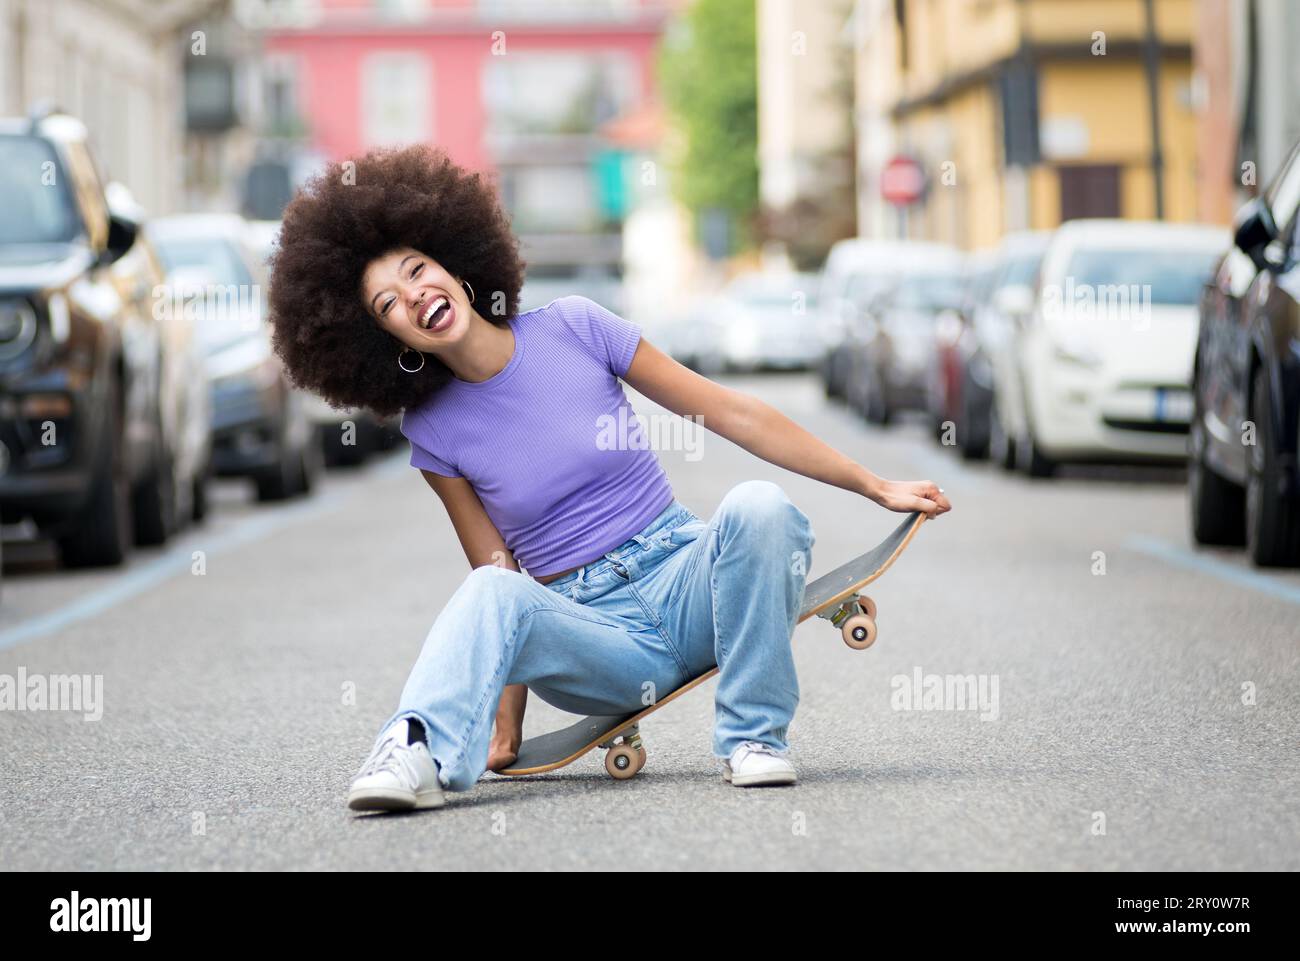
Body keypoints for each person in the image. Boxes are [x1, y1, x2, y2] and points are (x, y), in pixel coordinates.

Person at [266, 144, 951, 813]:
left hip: (695, 582)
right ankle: (413, 746)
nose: (415, 296)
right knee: (487, 590)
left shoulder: (576, 327)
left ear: (455, 261)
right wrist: (505, 722)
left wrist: (872, 484)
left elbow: (732, 411)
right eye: (388, 304)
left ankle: (753, 739)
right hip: (601, 642)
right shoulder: (434, 433)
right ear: (388, 341)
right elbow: (497, 578)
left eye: (417, 270)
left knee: (759, 506)